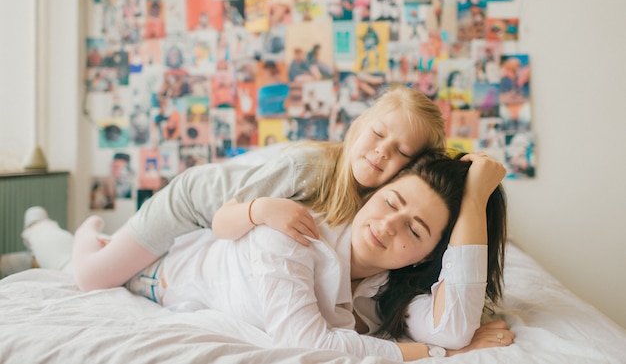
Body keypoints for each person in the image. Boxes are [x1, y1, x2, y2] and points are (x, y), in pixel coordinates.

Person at [72, 151, 511, 361]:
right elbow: (308, 345)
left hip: (193, 268)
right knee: (86, 262)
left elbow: (453, 328)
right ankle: (77, 233)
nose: (388, 226)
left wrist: (474, 202)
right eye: (391, 202)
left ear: (429, 255)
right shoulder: (291, 236)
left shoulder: (389, 289)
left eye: (415, 230)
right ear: (372, 193)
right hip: (163, 271)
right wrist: (432, 354)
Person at [70, 85, 447, 292]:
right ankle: (88, 231)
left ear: (411, 170)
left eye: (401, 151)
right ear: (361, 125)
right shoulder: (307, 168)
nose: (382, 151)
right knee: (93, 278)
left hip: (216, 237)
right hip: (194, 205)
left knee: (130, 267)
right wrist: (262, 210)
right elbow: (222, 221)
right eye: (378, 134)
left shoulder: (382, 205)